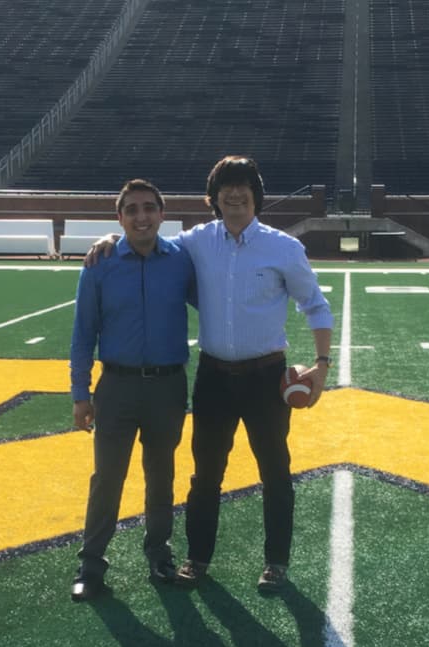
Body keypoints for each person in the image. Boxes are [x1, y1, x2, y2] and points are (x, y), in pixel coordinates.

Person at [87, 156, 333, 593]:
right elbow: (147, 239)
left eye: (243, 187)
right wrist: (111, 237)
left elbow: (315, 305)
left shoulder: (283, 247)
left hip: (265, 376)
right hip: (214, 377)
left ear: (256, 194)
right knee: (205, 475)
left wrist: (321, 365)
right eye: (226, 188)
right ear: (214, 198)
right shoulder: (195, 242)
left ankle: (276, 562)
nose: (234, 195)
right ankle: (197, 557)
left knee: (275, 471)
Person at [68, 178, 196, 602]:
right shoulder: (100, 263)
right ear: (119, 217)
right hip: (117, 387)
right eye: (132, 210)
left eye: (149, 208)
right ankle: (91, 564)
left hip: (167, 387)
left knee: (161, 475)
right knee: (107, 477)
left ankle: (158, 553)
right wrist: (80, 393)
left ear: (162, 214)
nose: (141, 217)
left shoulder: (182, 260)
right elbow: (83, 332)